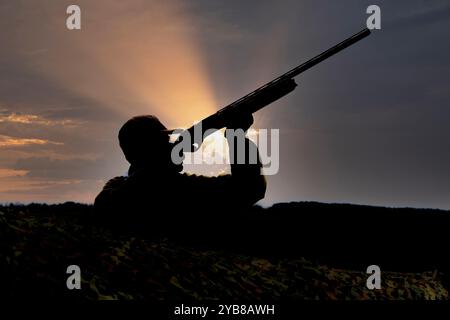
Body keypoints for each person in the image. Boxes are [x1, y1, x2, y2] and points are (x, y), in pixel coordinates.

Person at [94, 114, 266, 241]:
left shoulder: (123, 185)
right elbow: (249, 188)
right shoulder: (171, 187)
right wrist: (236, 137)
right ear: (148, 149)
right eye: (164, 141)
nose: (171, 145)